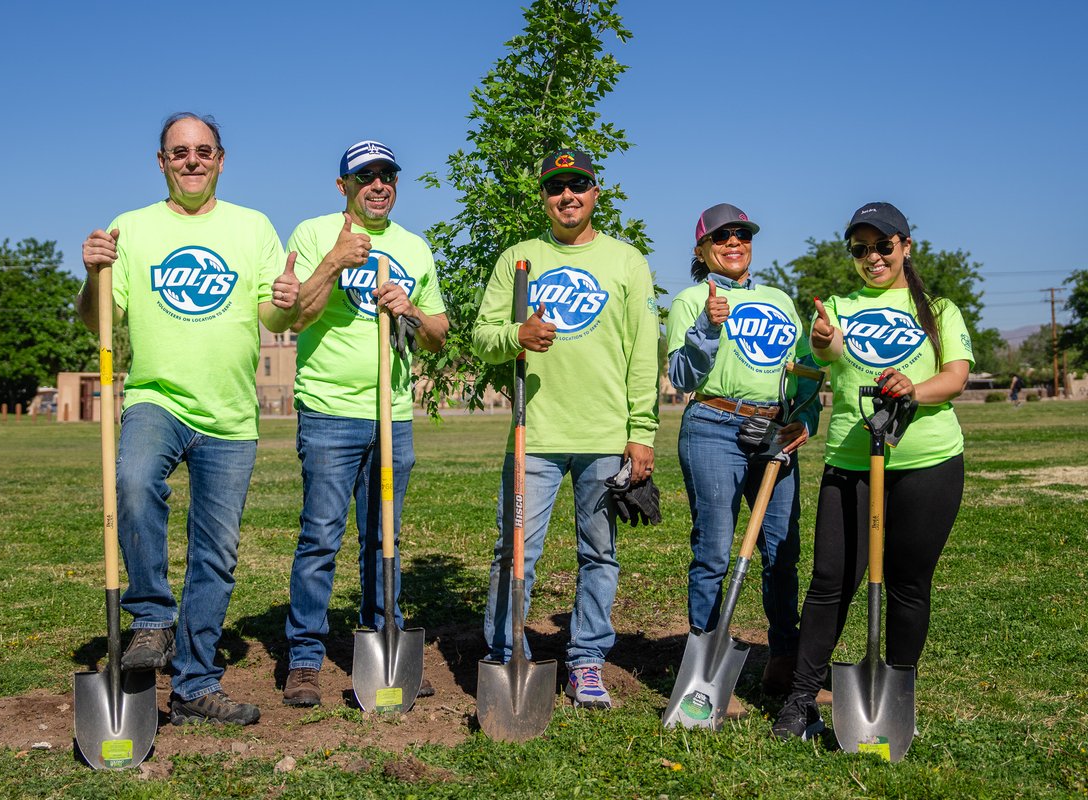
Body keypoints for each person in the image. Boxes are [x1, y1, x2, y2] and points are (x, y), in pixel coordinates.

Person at [77, 112, 300, 725]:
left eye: (204, 151)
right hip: (158, 397)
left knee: (216, 556)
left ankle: (196, 684)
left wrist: (287, 303)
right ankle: (151, 617)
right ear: (161, 162)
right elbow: (98, 321)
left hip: (231, 416)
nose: (193, 161)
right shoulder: (131, 229)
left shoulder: (253, 226)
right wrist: (93, 273)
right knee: (132, 480)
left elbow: (278, 322)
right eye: (180, 152)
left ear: (222, 159)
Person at [772, 201, 973, 740]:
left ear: (906, 246)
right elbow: (815, 364)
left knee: (909, 584)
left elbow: (955, 377)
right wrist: (821, 345)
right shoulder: (835, 306)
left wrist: (914, 388)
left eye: (883, 245)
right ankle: (799, 700)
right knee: (831, 582)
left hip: (928, 462)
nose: (872, 257)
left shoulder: (940, 309)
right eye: (860, 249)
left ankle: (896, 696)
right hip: (851, 461)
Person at [472, 149, 660, 709]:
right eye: (556, 188)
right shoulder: (518, 259)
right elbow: (482, 336)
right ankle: (506, 655)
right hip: (538, 435)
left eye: (578, 185)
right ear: (544, 198)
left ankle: (586, 662)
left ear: (596, 192)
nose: (567, 196)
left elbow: (642, 353)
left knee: (599, 554)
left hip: (605, 437)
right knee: (516, 554)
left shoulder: (628, 262)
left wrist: (642, 429)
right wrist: (515, 337)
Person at [280, 140, 449, 707]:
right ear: (344, 186)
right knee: (321, 536)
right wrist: (334, 261)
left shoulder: (414, 248)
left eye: (388, 176)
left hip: (391, 413)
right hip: (329, 409)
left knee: (385, 538)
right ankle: (305, 657)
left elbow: (438, 335)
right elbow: (295, 314)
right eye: (366, 176)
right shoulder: (312, 234)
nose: (379, 185)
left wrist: (412, 310)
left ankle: (386, 643)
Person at [665, 203, 820, 709]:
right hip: (712, 424)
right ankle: (705, 659)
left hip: (775, 429)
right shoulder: (690, 300)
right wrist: (707, 328)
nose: (734, 243)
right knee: (713, 547)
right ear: (702, 248)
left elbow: (803, 372)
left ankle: (784, 660)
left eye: (743, 236)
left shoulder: (779, 298)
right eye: (722, 237)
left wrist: (806, 420)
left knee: (782, 547)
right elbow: (682, 379)